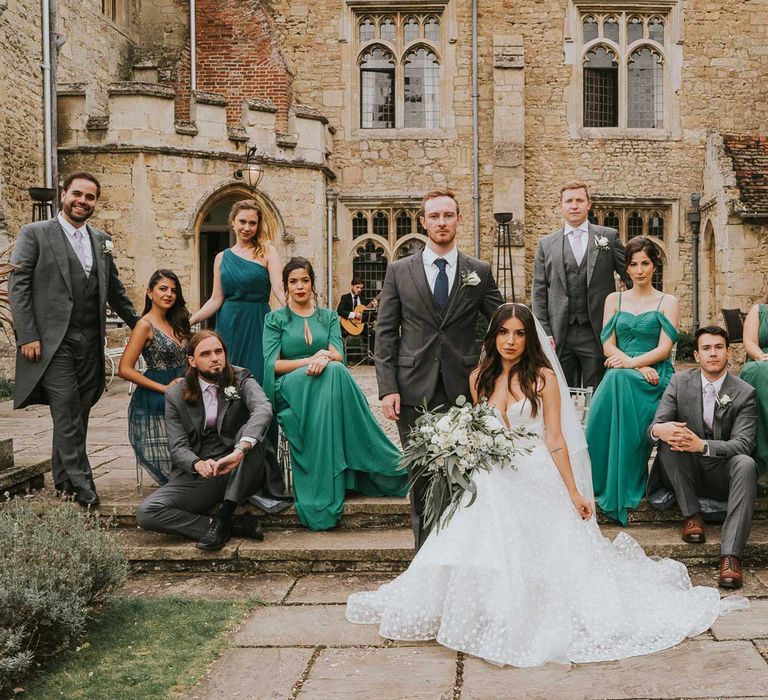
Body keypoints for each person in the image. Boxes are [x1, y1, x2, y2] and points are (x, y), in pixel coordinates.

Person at [347, 304, 747, 667]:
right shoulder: (478, 378)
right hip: (490, 472)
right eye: (504, 332)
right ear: (494, 336)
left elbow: (555, 439)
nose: (510, 341)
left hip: (534, 468)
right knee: (481, 511)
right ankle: (483, 604)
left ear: (529, 339)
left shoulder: (543, 379)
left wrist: (574, 491)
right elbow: (478, 429)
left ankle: (523, 605)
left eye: (519, 334)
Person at [374, 188, 503, 549]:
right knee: (422, 477)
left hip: (465, 389)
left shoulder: (478, 271)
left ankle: (458, 553)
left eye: (448, 215)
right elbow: (385, 332)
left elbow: (501, 322)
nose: (441, 222)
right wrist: (387, 388)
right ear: (423, 221)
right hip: (413, 387)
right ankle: (424, 555)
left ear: (460, 219)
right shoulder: (399, 271)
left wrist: (532, 344)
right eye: (434, 216)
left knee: (463, 475)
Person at [8, 172, 138, 507]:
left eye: (90, 197)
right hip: (53, 343)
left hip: (89, 341)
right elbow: (17, 287)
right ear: (63, 195)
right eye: (77, 194)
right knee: (65, 410)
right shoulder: (34, 233)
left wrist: (142, 326)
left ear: (96, 202)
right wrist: (27, 335)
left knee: (78, 414)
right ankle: (84, 485)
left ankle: (64, 482)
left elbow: (116, 293)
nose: (82, 201)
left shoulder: (102, 240)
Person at [262, 257, 408, 531]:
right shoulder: (274, 319)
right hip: (288, 389)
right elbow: (273, 365)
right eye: (293, 281)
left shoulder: (328, 317)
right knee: (335, 373)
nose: (300, 286)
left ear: (312, 283)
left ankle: (340, 473)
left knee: (335, 372)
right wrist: (312, 359)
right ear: (285, 286)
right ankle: (370, 461)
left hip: (325, 385)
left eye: (305, 280)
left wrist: (325, 357)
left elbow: (338, 355)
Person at [136, 331, 274, 551]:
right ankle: (227, 525)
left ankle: (225, 514)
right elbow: (178, 446)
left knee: (250, 438)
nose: (215, 357)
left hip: (241, 466)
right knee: (147, 512)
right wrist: (197, 464)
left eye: (219, 351)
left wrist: (239, 450)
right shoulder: (175, 394)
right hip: (204, 474)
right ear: (192, 361)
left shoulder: (241, 378)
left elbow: (263, 408)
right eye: (206, 353)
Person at [649, 325, 758, 589]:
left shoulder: (744, 392)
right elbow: (656, 425)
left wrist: (702, 445)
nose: (713, 354)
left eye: (718, 347)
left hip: (724, 475)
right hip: (686, 473)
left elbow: (744, 444)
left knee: (746, 463)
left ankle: (730, 557)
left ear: (728, 353)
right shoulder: (679, 382)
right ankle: (692, 515)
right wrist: (659, 430)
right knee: (669, 441)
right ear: (697, 356)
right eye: (706, 348)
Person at [586, 237, 679, 525]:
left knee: (617, 379)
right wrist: (634, 367)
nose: (639, 270)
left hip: (655, 376)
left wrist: (632, 365)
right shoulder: (614, 299)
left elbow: (665, 350)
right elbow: (607, 345)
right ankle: (596, 481)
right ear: (626, 268)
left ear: (655, 266)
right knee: (616, 380)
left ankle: (621, 482)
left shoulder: (668, 301)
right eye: (634, 264)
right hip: (628, 371)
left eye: (645, 264)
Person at [532, 180, 629, 390]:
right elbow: (539, 292)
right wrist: (545, 333)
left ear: (589, 204)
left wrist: (629, 320)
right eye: (569, 201)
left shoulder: (608, 237)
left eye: (579, 200)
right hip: (559, 334)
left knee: (599, 392)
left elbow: (630, 279)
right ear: (561, 205)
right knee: (561, 393)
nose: (574, 205)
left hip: (597, 332)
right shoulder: (546, 244)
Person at [190, 199, 285, 385]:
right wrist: (190, 320)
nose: (247, 227)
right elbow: (216, 299)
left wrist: (299, 314)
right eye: (242, 221)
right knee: (227, 375)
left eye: (252, 223)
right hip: (229, 323)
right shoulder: (221, 258)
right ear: (233, 221)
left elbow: (280, 289)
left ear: (258, 226)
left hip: (258, 322)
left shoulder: (268, 252)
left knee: (258, 374)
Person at [119, 269, 191, 485]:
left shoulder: (177, 321)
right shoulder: (144, 325)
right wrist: (165, 388)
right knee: (188, 408)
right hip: (157, 390)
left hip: (184, 385)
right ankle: (183, 473)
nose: (169, 294)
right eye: (163, 289)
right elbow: (124, 369)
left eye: (173, 290)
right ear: (150, 293)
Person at [740, 290, 768, 489]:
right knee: (759, 372)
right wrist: (761, 356)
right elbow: (749, 341)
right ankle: (762, 462)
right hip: (762, 360)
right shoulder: (759, 310)